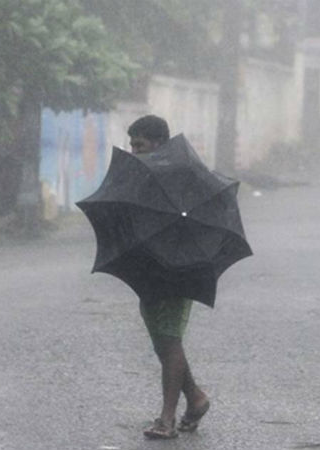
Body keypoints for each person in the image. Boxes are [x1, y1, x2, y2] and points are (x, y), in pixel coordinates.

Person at [127, 115, 210, 439]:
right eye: (132, 145)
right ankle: (196, 398)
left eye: (140, 145)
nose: (134, 151)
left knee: (170, 340)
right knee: (163, 342)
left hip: (177, 269)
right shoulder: (145, 174)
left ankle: (166, 419)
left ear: (159, 143)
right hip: (150, 268)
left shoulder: (179, 175)